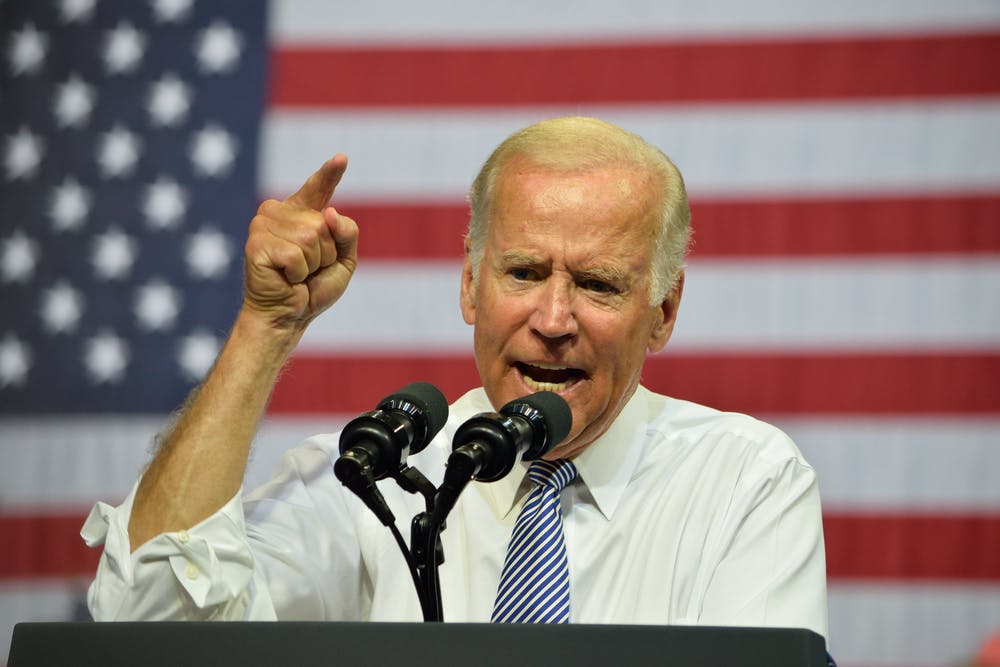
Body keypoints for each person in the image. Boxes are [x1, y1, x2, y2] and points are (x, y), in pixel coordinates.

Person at [83, 117, 828, 640]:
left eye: (598, 284)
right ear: (471, 286)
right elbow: (150, 623)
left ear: (662, 312)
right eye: (524, 272)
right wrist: (264, 325)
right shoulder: (372, 481)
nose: (554, 316)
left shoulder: (743, 482)